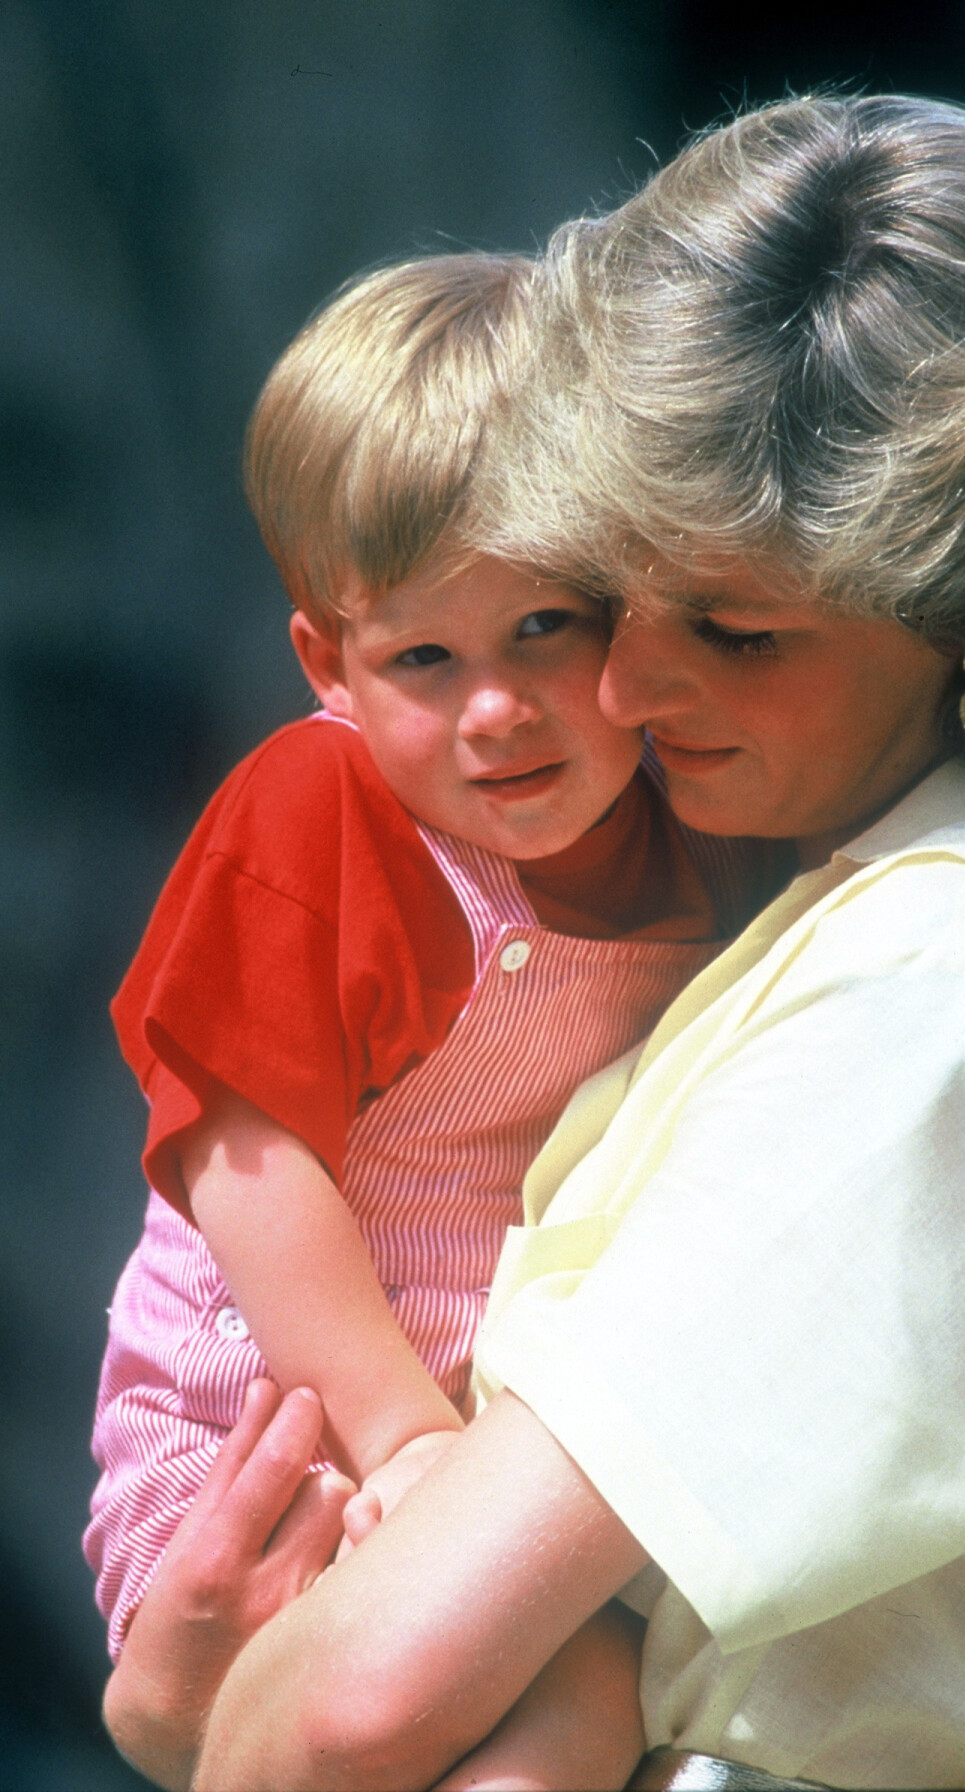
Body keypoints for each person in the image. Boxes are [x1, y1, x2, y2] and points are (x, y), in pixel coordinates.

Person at [111, 95, 965, 1791]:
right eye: (620, 599)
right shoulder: (888, 898)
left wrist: (187, 1716)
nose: (613, 693)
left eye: (737, 633)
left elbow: (340, 1713)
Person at [88, 252, 785, 1792]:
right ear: (328, 667)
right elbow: (242, 1166)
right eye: (426, 657)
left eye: (548, 626)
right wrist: (398, 1438)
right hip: (262, 1421)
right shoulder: (323, 807)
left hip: (490, 1452)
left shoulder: (700, 821)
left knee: (581, 1717)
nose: (499, 707)